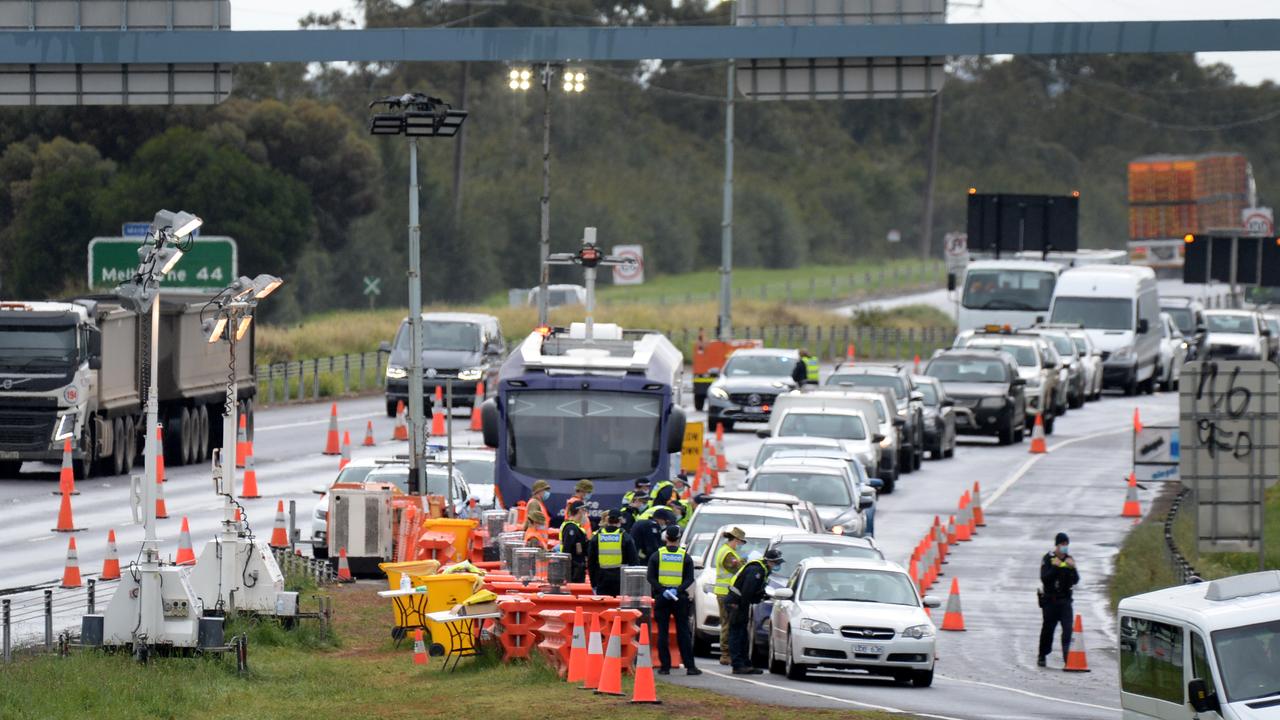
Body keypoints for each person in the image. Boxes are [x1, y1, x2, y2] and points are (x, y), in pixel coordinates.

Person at [646, 524, 701, 676]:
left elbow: (650, 577)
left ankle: (665, 667)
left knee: (663, 632)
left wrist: (663, 590)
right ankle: (690, 667)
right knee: (683, 631)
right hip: (679, 598)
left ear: (666, 537)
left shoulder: (657, 555)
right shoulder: (685, 557)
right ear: (678, 538)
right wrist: (677, 590)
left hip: (662, 597)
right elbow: (690, 579)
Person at [725, 548, 783, 674]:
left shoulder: (762, 569)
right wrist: (750, 603)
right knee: (736, 634)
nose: (778, 566)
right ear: (770, 561)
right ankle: (737, 665)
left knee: (743, 634)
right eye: (777, 562)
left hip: (740, 603)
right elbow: (747, 592)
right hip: (737, 603)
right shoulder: (757, 570)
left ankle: (746, 663)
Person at [1038, 531, 1079, 668]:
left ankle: (1068, 657)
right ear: (1057, 545)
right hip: (1050, 601)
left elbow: (1076, 580)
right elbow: (1045, 578)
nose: (1064, 546)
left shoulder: (1069, 559)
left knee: (1068, 629)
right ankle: (1042, 655)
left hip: (1065, 601)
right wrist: (1055, 567)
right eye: (1062, 544)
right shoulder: (1048, 559)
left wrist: (1073, 568)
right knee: (1048, 629)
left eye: (1066, 544)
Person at [712, 527, 747, 665]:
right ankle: (725, 654)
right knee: (727, 623)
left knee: (728, 623)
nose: (740, 545)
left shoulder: (728, 551)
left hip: (726, 592)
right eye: (740, 542)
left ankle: (727, 653)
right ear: (736, 540)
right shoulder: (728, 553)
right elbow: (738, 569)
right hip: (725, 593)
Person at [588, 508, 637, 596]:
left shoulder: (597, 537)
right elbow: (634, 562)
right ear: (620, 520)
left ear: (608, 520)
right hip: (621, 580)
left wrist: (593, 584)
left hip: (602, 579)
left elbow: (591, 563)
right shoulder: (625, 537)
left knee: (604, 606)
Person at [559, 500, 590, 584]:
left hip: (577, 568)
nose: (586, 514)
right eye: (584, 510)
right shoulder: (571, 528)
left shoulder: (577, 527)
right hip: (573, 570)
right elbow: (567, 550)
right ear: (580, 510)